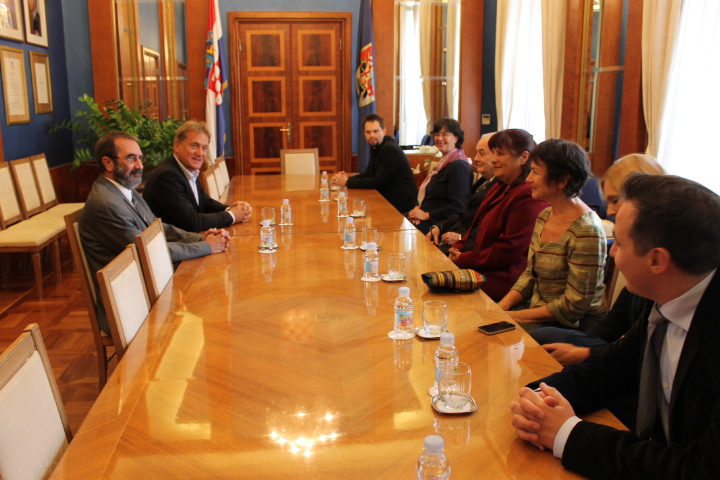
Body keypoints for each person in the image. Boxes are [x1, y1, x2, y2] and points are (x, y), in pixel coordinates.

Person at [510, 174, 720, 479]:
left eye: (619, 242)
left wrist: (567, 433)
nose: (611, 252)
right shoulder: (666, 293)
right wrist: (537, 399)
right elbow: (615, 366)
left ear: (657, 260)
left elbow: (701, 469)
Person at [79, 131, 230, 334]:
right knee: (210, 306)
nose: (140, 166)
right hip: (132, 302)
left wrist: (201, 237)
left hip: (151, 281)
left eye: (140, 158)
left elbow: (157, 229)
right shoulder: (106, 204)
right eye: (131, 158)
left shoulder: (125, 190)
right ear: (108, 163)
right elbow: (150, 252)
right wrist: (205, 246)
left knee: (212, 287)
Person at [534, 153, 666, 365]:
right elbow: (615, 324)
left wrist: (586, 354)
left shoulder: (656, 256)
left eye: (615, 200)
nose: (610, 211)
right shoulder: (544, 215)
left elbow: (641, 345)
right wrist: (584, 351)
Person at [497, 139, 607, 333]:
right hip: (539, 314)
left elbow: (574, 305)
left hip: (571, 326)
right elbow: (530, 274)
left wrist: (514, 317)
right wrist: (501, 308)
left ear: (562, 180)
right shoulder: (545, 215)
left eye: (536, 172)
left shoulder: (587, 230)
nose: (528, 178)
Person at [448, 129, 547, 301]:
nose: (493, 159)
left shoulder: (527, 194)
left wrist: (465, 258)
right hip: (480, 268)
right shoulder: (500, 185)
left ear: (524, 157)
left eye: (500, 153)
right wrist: (459, 246)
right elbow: (476, 225)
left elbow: (510, 249)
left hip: (503, 278)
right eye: (493, 152)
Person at [143, 120, 252, 233]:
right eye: (194, 146)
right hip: (174, 242)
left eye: (204, 148)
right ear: (177, 146)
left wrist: (232, 210)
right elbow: (192, 222)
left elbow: (205, 203)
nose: (200, 153)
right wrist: (232, 215)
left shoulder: (188, 169)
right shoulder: (167, 176)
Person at [427, 132, 498, 255]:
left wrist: (461, 238)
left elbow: (488, 232)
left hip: (467, 249)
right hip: (452, 236)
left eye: (481, 153)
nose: (475, 158)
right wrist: (439, 227)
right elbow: (463, 212)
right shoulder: (484, 180)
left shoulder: (501, 188)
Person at [331, 114, 417, 214]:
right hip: (388, 200)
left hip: (402, 206)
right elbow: (369, 174)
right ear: (364, 133)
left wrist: (347, 182)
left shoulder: (389, 149)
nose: (372, 135)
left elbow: (377, 182)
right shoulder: (377, 146)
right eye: (368, 132)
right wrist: (346, 179)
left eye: (376, 131)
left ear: (384, 131)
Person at [407, 118, 473, 234]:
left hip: (440, 223)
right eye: (436, 134)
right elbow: (428, 194)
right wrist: (417, 209)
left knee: (396, 227)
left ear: (456, 138)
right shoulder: (443, 163)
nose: (439, 138)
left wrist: (427, 215)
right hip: (424, 215)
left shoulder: (459, 166)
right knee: (391, 220)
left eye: (445, 134)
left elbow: (457, 206)